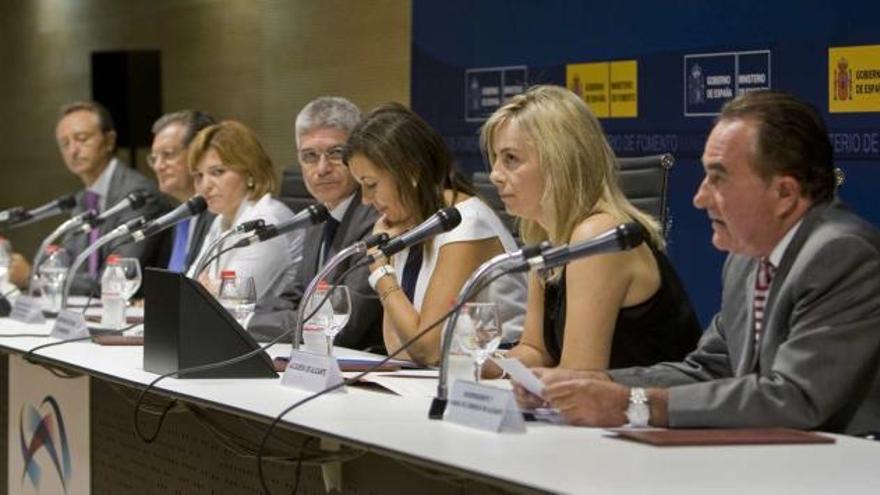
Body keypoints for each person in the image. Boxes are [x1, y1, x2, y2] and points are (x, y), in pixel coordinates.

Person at [517, 90, 880, 436]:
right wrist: (597, 385)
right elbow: (709, 368)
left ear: (784, 193)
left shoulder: (841, 255)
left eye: (718, 178)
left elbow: (794, 398)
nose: (699, 197)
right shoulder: (746, 259)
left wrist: (635, 404)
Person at [480, 85, 701, 375]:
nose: (495, 174)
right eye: (496, 158)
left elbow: (580, 374)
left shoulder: (596, 237)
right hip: (604, 415)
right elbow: (535, 352)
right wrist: (470, 364)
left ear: (560, 161)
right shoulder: (548, 237)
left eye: (511, 158)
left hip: (656, 412)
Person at [344, 102, 527, 365]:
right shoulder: (406, 222)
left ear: (411, 172)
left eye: (371, 184)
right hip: (434, 379)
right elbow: (397, 345)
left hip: (494, 385)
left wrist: (381, 271)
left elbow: (426, 348)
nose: (365, 199)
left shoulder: (466, 223)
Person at [249, 96, 383, 351]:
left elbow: (341, 324)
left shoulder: (375, 219)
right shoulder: (319, 216)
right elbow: (294, 297)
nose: (321, 169)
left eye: (335, 154)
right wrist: (240, 320)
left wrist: (243, 323)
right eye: (309, 156)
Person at [10, 100, 170, 295]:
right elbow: (72, 263)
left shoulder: (137, 196)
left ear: (109, 141)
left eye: (82, 138)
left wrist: (33, 277)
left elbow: (116, 278)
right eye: (65, 143)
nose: (73, 151)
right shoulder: (83, 200)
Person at [186, 120, 304, 305]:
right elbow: (188, 288)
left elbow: (233, 303)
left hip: (266, 332)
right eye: (199, 175)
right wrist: (208, 290)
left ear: (250, 172)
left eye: (217, 172)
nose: (205, 185)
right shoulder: (221, 219)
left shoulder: (266, 220)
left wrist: (209, 290)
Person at [148, 110, 217, 273]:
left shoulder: (218, 214)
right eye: (154, 158)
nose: (158, 166)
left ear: (199, 154)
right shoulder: (178, 216)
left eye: (168, 155)